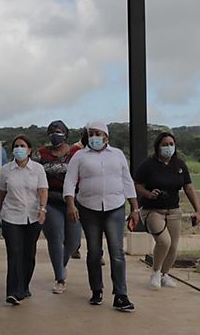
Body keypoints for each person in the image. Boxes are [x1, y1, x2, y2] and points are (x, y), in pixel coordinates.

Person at [63, 121, 140, 311]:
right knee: (94, 251)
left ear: (106, 136)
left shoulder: (118, 155)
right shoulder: (79, 156)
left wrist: (135, 208)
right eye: (91, 134)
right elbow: (70, 181)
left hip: (115, 206)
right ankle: (96, 289)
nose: (94, 138)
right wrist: (71, 204)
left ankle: (121, 294)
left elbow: (127, 180)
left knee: (117, 251)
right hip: (89, 207)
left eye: (98, 134)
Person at [134, 132, 200, 290]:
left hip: (173, 210)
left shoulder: (179, 165)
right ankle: (156, 272)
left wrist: (198, 210)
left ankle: (165, 274)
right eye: (164, 144)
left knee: (173, 246)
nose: (168, 147)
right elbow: (137, 184)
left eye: (171, 144)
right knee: (164, 241)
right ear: (158, 147)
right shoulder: (148, 165)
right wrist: (148, 194)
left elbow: (188, 187)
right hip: (152, 210)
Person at [0, 135, 48, 305]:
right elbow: (1, 194)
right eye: (16, 146)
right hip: (11, 216)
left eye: (22, 146)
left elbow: (43, 190)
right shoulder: (6, 170)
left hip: (32, 216)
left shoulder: (38, 169)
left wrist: (42, 208)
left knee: (28, 254)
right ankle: (13, 291)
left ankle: (24, 286)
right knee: (14, 253)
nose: (19, 149)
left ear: (29, 150)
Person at [32, 120, 83, 294]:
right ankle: (60, 278)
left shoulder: (77, 153)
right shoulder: (41, 154)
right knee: (56, 238)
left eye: (59, 131)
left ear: (66, 134)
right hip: (50, 201)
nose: (55, 134)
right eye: (52, 131)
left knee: (74, 240)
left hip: (73, 201)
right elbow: (34, 175)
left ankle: (61, 264)